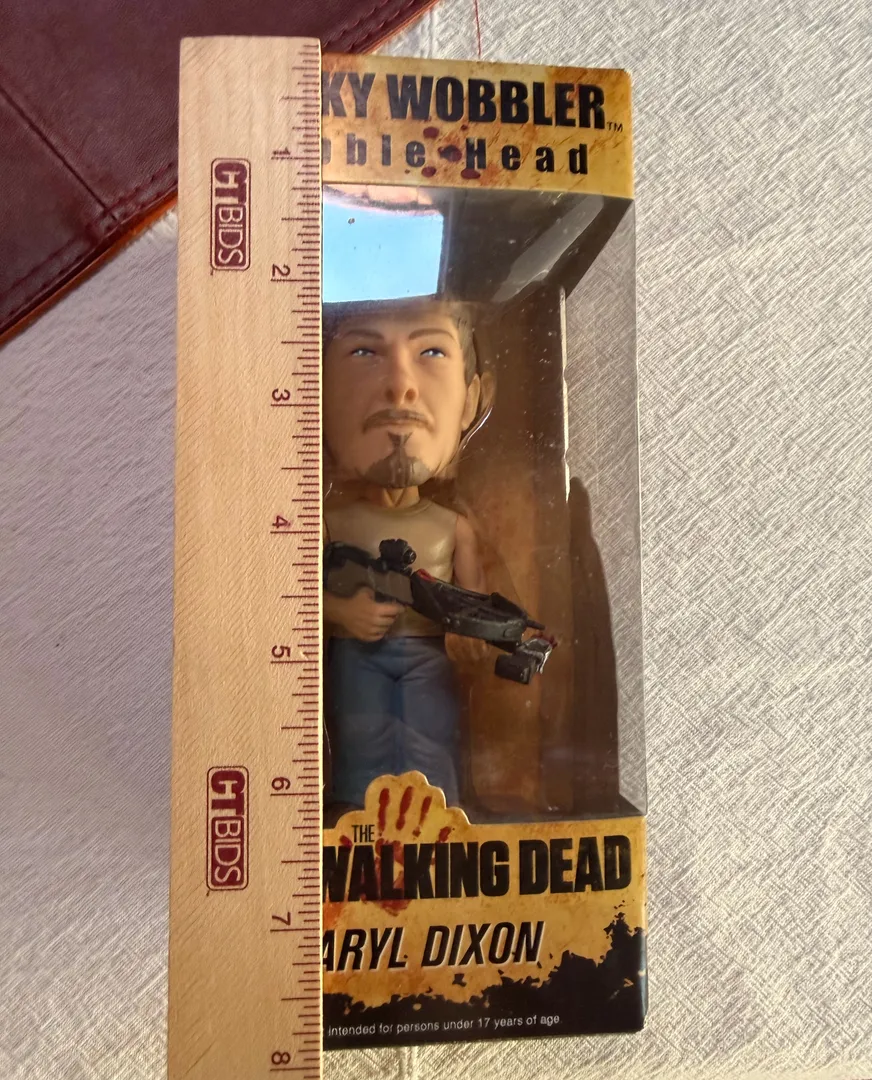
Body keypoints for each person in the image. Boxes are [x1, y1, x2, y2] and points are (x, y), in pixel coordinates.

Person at [322, 299, 488, 809]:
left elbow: (474, 601)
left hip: (429, 656)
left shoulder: (452, 527)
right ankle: (355, 831)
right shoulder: (330, 524)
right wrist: (342, 611)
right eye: (364, 352)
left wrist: (469, 635)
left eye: (432, 351)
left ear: (471, 401)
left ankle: (439, 832)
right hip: (356, 653)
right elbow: (292, 599)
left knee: (431, 749)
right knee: (360, 752)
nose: (400, 386)